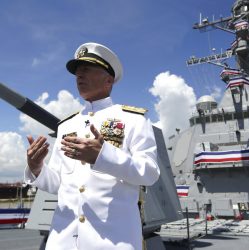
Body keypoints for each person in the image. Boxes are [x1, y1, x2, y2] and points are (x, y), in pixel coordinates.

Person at [24, 42, 160, 250]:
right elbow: (58, 184)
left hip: (113, 243)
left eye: (87, 69)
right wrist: (36, 168)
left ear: (109, 79)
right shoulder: (66, 125)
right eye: (77, 72)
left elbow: (149, 173)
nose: (79, 76)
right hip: (63, 242)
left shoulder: (134, 120)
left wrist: (102, 157)